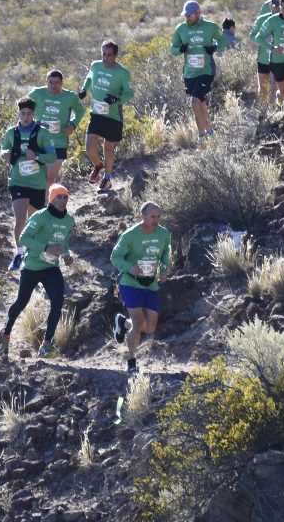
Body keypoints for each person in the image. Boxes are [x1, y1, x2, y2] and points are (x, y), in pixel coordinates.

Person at [0, 183, 74, 360]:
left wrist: (66, 254)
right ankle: (5, 333)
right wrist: (46, 247)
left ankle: (46, 345)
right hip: (32, 266)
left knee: (58, 301)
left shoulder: (69, 220)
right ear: (51, 198)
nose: (63, 200)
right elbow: (24, 238)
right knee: (21, 303)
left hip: (51, 268)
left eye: (65, 197)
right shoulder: (40, 217)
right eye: (59, 197)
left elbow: (64, 242)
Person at [110, 201, 173, 372]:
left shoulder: (164, 234)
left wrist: (165, 268)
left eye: (158, 216)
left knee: (150, 327)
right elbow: (115, 257)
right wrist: (130, 267)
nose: (156, 220)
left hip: (150, 284)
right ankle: (131, 361)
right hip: (130, 283)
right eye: (152, 216)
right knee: (138, 322)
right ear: (143, 216)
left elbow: (166, 252)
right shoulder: (130, 235)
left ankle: (123, 323)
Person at [2, 96, 58, 265]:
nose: (26, 117)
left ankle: (34, 252)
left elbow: (52, 156)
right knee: (20, 218)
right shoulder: (11, 132)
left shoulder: (43, 133)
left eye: (29, 114)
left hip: (37, 184)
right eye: (23, 113)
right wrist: (4, 154)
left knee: (34, 222)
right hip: (18, 181)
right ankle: (18, 253)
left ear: (33, 114)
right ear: (18, 113)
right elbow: (3, 148)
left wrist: (37, 156)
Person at [81, 40, 134, 192]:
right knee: (90, 148)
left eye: (109, 55)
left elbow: (129, 93)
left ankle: (107, 178)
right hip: (97, 113)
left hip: (113, 116)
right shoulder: (95, 65)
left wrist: (117, 99)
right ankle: (98, 165)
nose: (105, 58)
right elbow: (89, 78)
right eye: (103, 54)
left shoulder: (122, 72)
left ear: (115, 55)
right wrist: (84, 90)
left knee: (109, 148)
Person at [169, 1, 225, 139]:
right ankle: (210, 131)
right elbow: (173, 48)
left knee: (194, 101)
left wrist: (214, 47)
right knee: (200, 101)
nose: (186, 17)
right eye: (185, 15)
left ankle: (201, 136)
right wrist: (180, 49)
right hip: (189, 73)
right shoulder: (180, 29)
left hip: (206, 71)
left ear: (198, 13)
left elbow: (223, 40)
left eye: (189, 15)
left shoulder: (210, 27)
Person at [27, 69, 84, 189]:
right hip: (39, 141)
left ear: (62, 83)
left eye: (57, 83)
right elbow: (24, 108)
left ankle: (47, 205)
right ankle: (40, 204)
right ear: (46, 82)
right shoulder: (37, 93)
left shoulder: (70, 97)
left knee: (50, 178)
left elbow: (80, 111)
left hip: (59, 142)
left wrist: (72, 125)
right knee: (36, 177)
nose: (53, 86)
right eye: (50, 82)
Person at [253, 0, 284, 108]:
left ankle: (275, 108)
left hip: (282, 54)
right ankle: (263, 109)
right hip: (265, 54)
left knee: (276, 83)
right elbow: (258, 30)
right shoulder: (265, 7)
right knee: (263, 86)